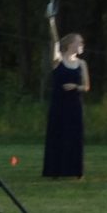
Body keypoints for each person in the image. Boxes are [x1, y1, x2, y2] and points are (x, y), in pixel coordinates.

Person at [41, 15, 88, 179]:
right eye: (79, 42)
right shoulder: (58, 60)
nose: (81, 45)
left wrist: (76, 87)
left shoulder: (82, 64)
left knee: (74, 136)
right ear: (70, 44)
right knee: (58, 134)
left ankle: (75, 170)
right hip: (59, 104)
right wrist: (52, 23)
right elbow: (55, 43)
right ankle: (55, 170)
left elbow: (86, 86)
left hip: (74, 104)